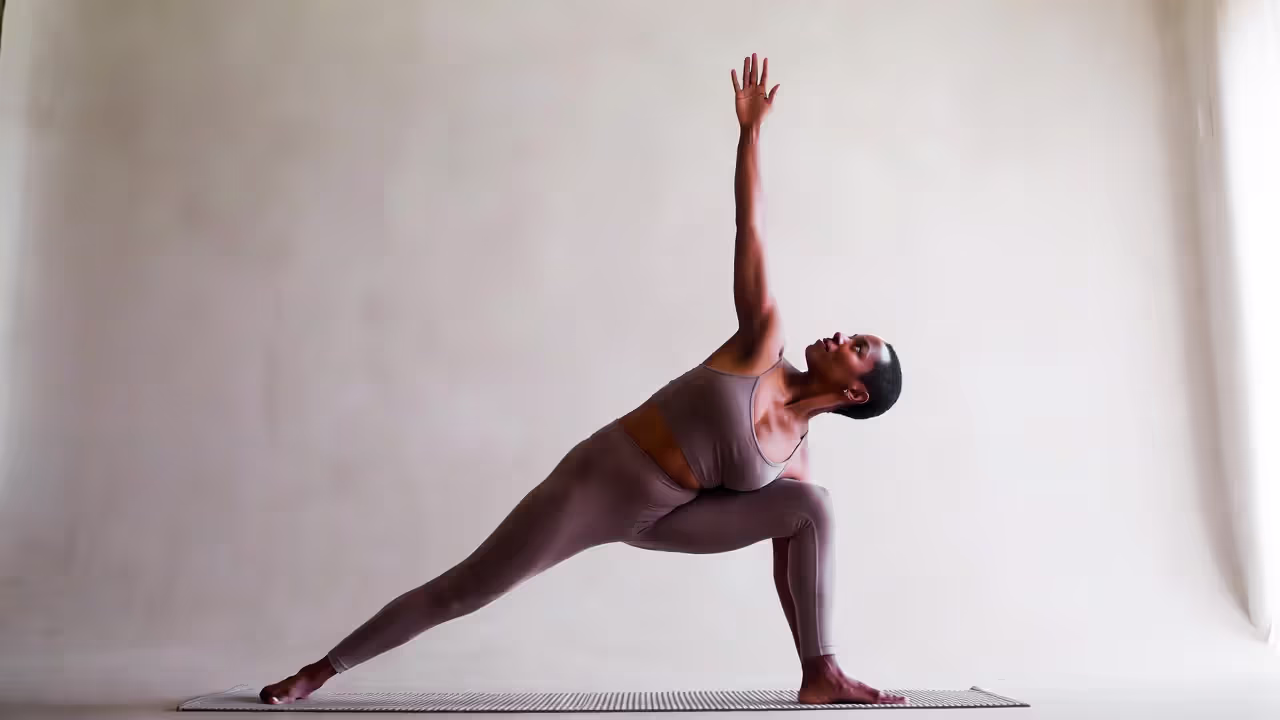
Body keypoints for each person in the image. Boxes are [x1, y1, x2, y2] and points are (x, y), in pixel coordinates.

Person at [261, 54, 905, 706]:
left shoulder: (796, 456)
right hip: (602, 482)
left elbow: (787, 553)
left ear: (855, 392)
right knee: (467, 588)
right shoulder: (762, 341)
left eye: (858, 347)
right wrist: (750, 133)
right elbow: (751, 228)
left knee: (812, 507)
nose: (842, 336)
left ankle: (819, 672)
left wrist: (805, 644)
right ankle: (319, 671)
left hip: (670, 519)